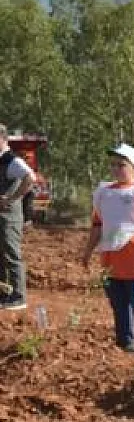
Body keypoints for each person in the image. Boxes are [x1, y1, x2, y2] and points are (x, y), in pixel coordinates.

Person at [80, 143, 134, 353]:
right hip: (111, 261)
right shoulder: (104, 193)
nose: (116, 169)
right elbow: (98, 225)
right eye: (113, 165)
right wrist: (88, 251)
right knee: (118, 304)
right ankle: (124, 341)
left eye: (122, 164)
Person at [0, 125, 36, 311]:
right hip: (2, 217)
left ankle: (18, 296)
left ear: (3, 138)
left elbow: (30, 178)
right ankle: (4, 293)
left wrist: (12, 198)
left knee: (12, 255)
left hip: (9, 217)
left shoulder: (11, 160)